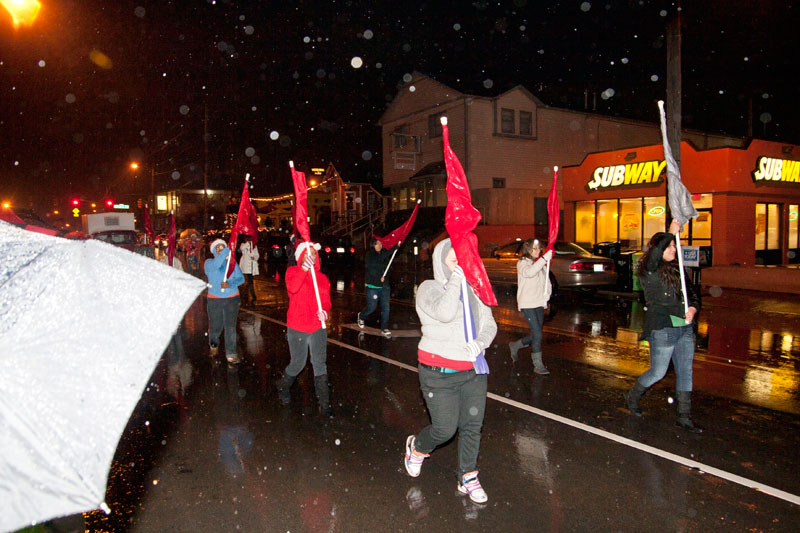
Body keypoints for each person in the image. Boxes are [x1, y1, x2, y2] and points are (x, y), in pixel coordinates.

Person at [403, 238, 497, 504]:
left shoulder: (475, 289)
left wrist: (480, 343)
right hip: (438, 372)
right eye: (452, 253)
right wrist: (457, 278)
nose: (458, 257)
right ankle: (417, 448)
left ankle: (468, 476)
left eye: (462, 253)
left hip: (473, 371)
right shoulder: (428, 288)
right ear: (440, 258)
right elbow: (444, 313)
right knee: (445, 430)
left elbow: (489, 323)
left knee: (472, 426)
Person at [624, 219, 703, 433]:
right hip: (664, 329)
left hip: (685, 329)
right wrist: (669, 234)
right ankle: (633, 396)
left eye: (674, 246)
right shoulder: (648, 271)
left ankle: (684, 416)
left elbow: (694, 295)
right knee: (658, 372)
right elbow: (654, 256)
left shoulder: (677, 271)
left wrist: (693, 309)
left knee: (685, 371)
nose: (672, 249)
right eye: (669, 247)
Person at [276, 242, 333, 416]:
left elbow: (326, 301)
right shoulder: (292, 272)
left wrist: (325, 311)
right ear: (300, 257)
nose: (312, 257)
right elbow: (292, 288)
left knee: (319, 365)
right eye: (308, 254)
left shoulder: (322, 278)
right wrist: (303, 270)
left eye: (314, 254)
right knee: (298, 364)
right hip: (298, 328)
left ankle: (324, 405)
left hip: (317, 328)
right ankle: (283, 386)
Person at [508, 239, 554, 374]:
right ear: (527, 250)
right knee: (538, 334)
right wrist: (544, 259)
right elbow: (529, 273)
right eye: (534, 248)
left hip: (539, 302)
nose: (538, 251)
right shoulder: (523, 263)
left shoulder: (540, 265)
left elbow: (547, 283)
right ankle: (538, 365)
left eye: (539, 248)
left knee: (536, 334)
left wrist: (547, 296)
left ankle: (516, 345)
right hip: (528, 303)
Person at [205, 239, 245, 364]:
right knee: (215, 326)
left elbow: (241, 279)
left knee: (230, 327)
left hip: (232, 298)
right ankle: (214, 344)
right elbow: (217, 264)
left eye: (223, 247)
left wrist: (230, 284)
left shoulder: (231, 264)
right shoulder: (209, 263)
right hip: (215, 299)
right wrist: (225, 252)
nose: (221, 250)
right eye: (218, 248)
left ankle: (231, 353)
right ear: (213, 251)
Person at [357, 238, 395, 337]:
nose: (380, 246)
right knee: (372, 307)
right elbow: (373, 266)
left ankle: (384, 328)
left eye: (380, 244)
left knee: (386, 308)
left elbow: (389, 268)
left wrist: (385, 276)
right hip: (372, 286)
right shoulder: (370, 255)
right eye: (377, 244)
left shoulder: (383, 255)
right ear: (372, 245)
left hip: (384, 286)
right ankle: (361, 316)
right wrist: (394, 248)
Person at [239, 235, 260, 306]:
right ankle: (253, 295)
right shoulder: (243, 245)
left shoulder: (254, 246)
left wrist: (254, 257)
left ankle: (245, 292)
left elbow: (257, 255)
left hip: (252, 265)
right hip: (246, 266)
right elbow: (242, 248)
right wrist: (248, 243)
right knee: (249, 280)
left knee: (250, 280)